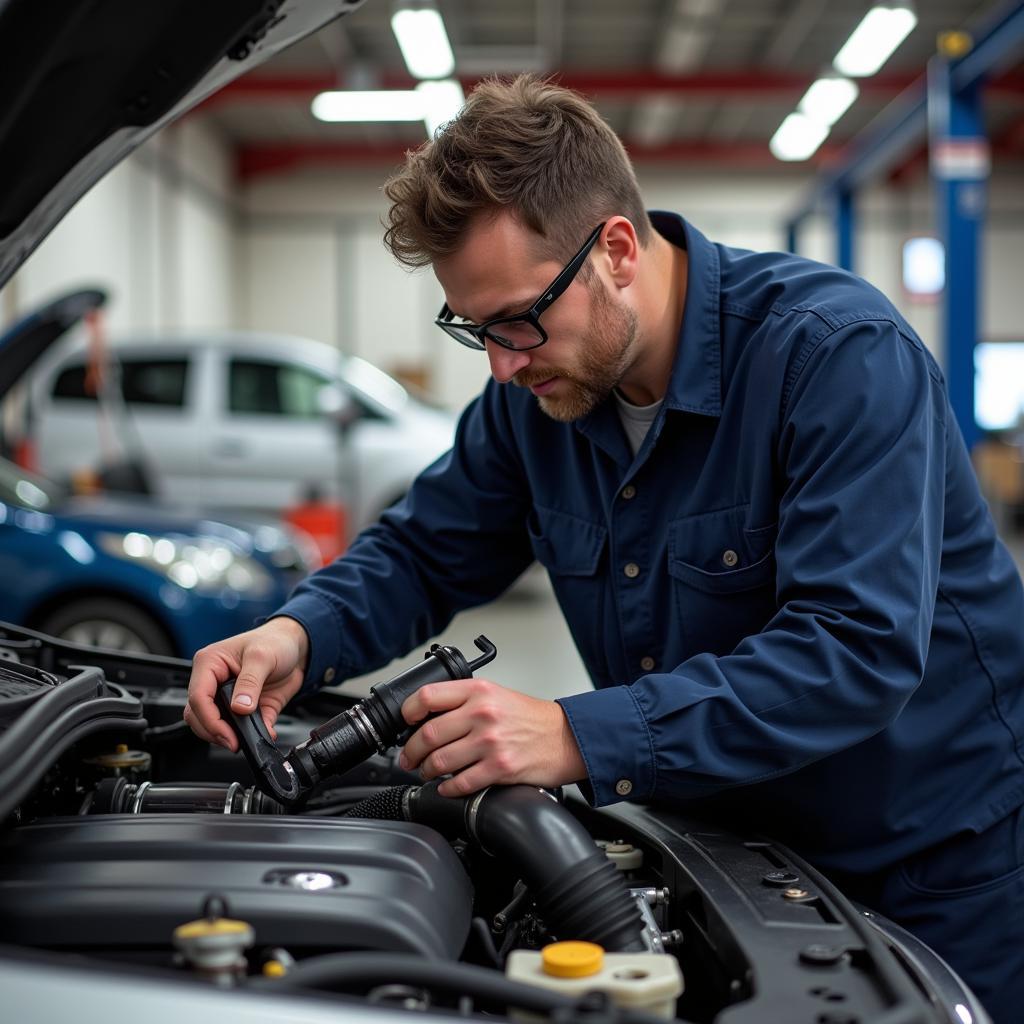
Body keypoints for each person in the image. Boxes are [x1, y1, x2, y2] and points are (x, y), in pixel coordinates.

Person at [186, 76, 1024, 1019]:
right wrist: (300, 634)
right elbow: (426, 549)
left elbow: (856, 651)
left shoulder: (835, 357)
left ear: (616, 251)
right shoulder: (537, 398)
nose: (503, 363)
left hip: (918, 865)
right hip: (720, 850)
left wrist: (577, 733)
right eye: (476, 330)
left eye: (516, 320)